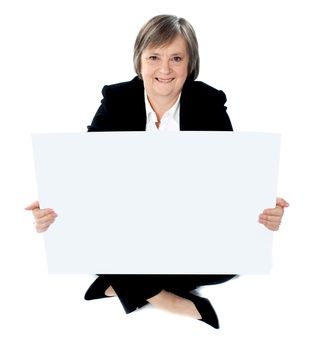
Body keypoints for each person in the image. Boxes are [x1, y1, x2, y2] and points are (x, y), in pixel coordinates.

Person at [25, 14, 289, 329]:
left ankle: (122, 283)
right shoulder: (116, 100)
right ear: (139, 62)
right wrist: (54, 206)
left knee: (229, 260)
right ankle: (168, 298)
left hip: (192, 228)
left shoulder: (209, 103)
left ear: (190, 65)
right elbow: (83, 173)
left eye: (176, 58)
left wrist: (263, 207)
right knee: (89, 242)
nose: (165, 69)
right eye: (154, 57)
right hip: (128, 226)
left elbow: (236, 181)